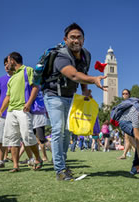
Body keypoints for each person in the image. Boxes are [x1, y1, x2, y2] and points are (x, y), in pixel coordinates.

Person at [41, 23, 107, 181]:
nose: (76, 40)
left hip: (71, 97)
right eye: (72, 37)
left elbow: (82, 72)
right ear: (65, 39)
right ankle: (60, 170)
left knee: (66, 132)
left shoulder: (86, 55)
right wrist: (94, 80)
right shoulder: (61, 55)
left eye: (79, 37)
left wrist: (85, 90)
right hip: (53, 95)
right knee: (58, 130)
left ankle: (62, 164)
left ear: (84, 40)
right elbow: (74, 75)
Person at [0, 52, 43, 173]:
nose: (7, 65)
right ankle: (15, 166)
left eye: (8, 61)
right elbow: (7, 97)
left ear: (12, 60)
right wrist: (0, 111)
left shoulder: (28, 70)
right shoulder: (11, 79)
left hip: (24, 109)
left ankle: (38, 158)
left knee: (27, 135)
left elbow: (36, 87)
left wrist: (29, 103)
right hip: (11, 111)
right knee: (12, 139)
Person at [118, 89, 133, 159]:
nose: (124, 95)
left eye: (126, 93)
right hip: (125, 122)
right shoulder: (123, 103)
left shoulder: (131, 102)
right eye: (123, 93)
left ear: (129, 94)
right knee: (128, 139)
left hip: (130, 122)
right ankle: (125, 154)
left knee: (130, 139)